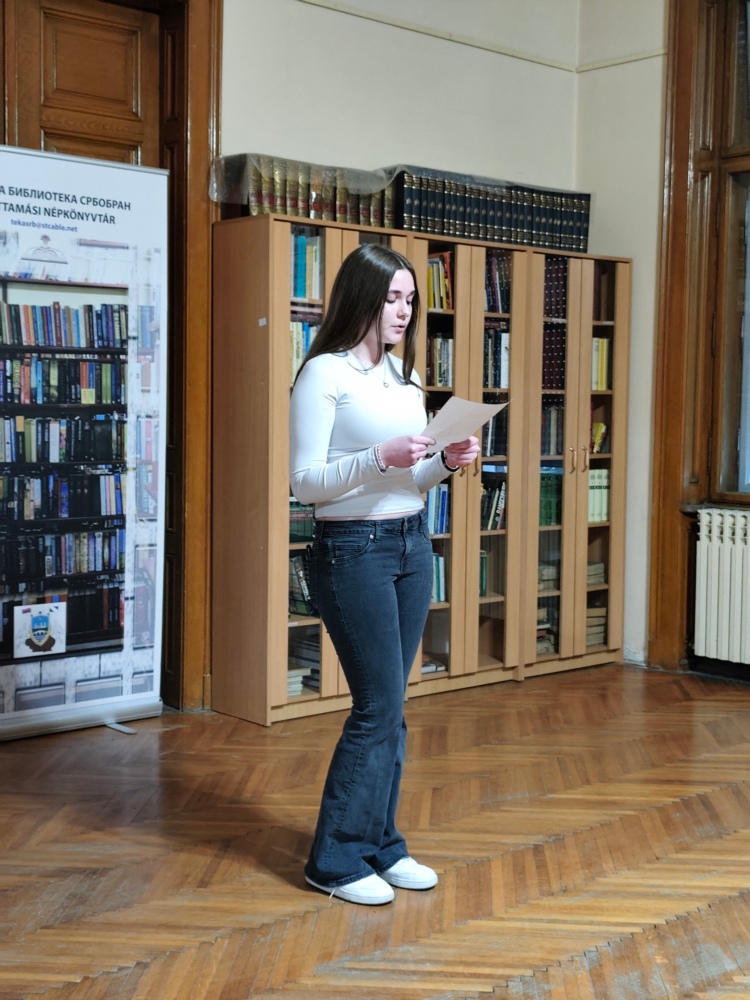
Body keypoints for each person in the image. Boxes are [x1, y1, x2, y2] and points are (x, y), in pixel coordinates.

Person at [289, 242, 480, 906]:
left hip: (410, 544)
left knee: (394, 709)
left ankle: (381, 845)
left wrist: (443, 462)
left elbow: (410, 478)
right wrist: (379, 456)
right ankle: (334, 860)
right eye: (393, 298)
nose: (404, 310)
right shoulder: (324, 373)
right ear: (363, 298)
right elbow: (305, 485)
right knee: (375, 708)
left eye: (410, 299)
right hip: (352, 551)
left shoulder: (406, 376)